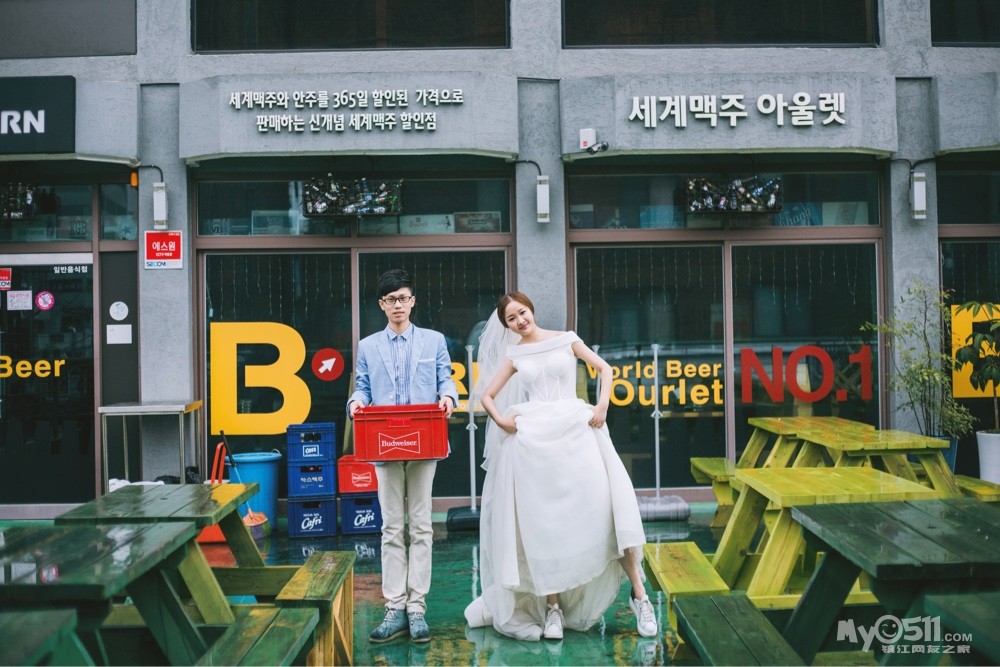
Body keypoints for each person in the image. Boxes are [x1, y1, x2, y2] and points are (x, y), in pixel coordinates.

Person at [464, 291, 657, 641]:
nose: (520, 321)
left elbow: (605, 369)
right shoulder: (515, 354)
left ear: (531, 309)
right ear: (507, 325)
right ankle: (553, 607)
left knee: (609, 513)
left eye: (522, 313)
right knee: (545, 524)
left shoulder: (566, 339)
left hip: (577, 431)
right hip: (535, 443)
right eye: (511, 319)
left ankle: (639, 596)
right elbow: (486, 396)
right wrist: (504, 422)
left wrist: (601, 406)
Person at [348, 268, 458, 644]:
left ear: (413, 301)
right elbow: (362, 386)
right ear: (382, 304)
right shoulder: (367, 346)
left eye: (404, 298)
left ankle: (417, 608)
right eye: (391, 299)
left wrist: (448, 398)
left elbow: (446, 379)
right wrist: (356, 403)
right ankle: (395, 607)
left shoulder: (434, 341)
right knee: (392, 527)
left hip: (424, 441)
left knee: (422, 526)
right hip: (384, 443)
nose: (399, 305)